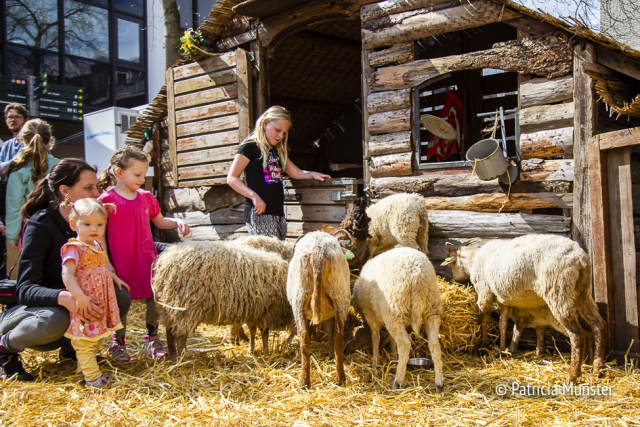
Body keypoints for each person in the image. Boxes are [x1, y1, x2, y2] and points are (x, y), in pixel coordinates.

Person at [0, 159, 131, 381]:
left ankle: (76, 349)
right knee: (56, 318)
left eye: (96, 187)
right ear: (65, 192)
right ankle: (5, 349)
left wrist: (106, 276)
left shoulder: (89, 222)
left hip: (73, 305)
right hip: (37, 311)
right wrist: (65, 297)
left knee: (119, 295)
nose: (96, 193)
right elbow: (25, 289)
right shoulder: (40, 225)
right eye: (88, 188)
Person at [97, 146, 190, 360]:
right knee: (121, 302)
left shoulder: (146, 197)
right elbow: (99, 235)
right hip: (120, 261)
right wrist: (106, 261)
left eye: (144, 174)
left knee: (153, 300)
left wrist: (176, 221)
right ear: (119, 173)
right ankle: (118, 343)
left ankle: (152, 339)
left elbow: (159, 221)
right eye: (137, 174)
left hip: (146, 260)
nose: (142, 178)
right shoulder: (106, 200)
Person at [227, 106, 331, 240]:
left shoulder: (278, 152)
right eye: (278, 130)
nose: (281, 136)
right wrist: (254, 196)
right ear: (265, 123)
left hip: (278, 213)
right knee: (267, 256)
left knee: (277, 255)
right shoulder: (250, 147)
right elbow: (232, 178)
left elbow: (297, 173)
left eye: (284, 133)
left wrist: (312, 174)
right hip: (260, 213)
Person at [60, 198, 123, 388]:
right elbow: (67, 275)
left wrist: (114, 277)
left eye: (99, 224)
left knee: (95, 338)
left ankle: (84, 369)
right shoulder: (74, 248)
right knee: (85, 342)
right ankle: (94, 379)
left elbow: (102, 267)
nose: (93, 229)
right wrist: (80, 297)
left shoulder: (96, 245)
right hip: (86, 301)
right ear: (73, 224)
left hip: (100, 300)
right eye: (87, 224)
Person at [5, 119, 59, 251]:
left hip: (31, 227)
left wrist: (12, 236)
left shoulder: (18, 170)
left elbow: (15, 205)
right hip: (58, 224)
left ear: (23, 140)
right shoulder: (60, 165)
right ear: (49, 140)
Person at [0, 103, 29, 280]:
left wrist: (8, 166)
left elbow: (22, 164)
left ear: (25, 120)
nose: (12, 120)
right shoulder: (7, 145)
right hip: (8, 197)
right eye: (9, 117)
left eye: (16, 117)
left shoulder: (30, 141)